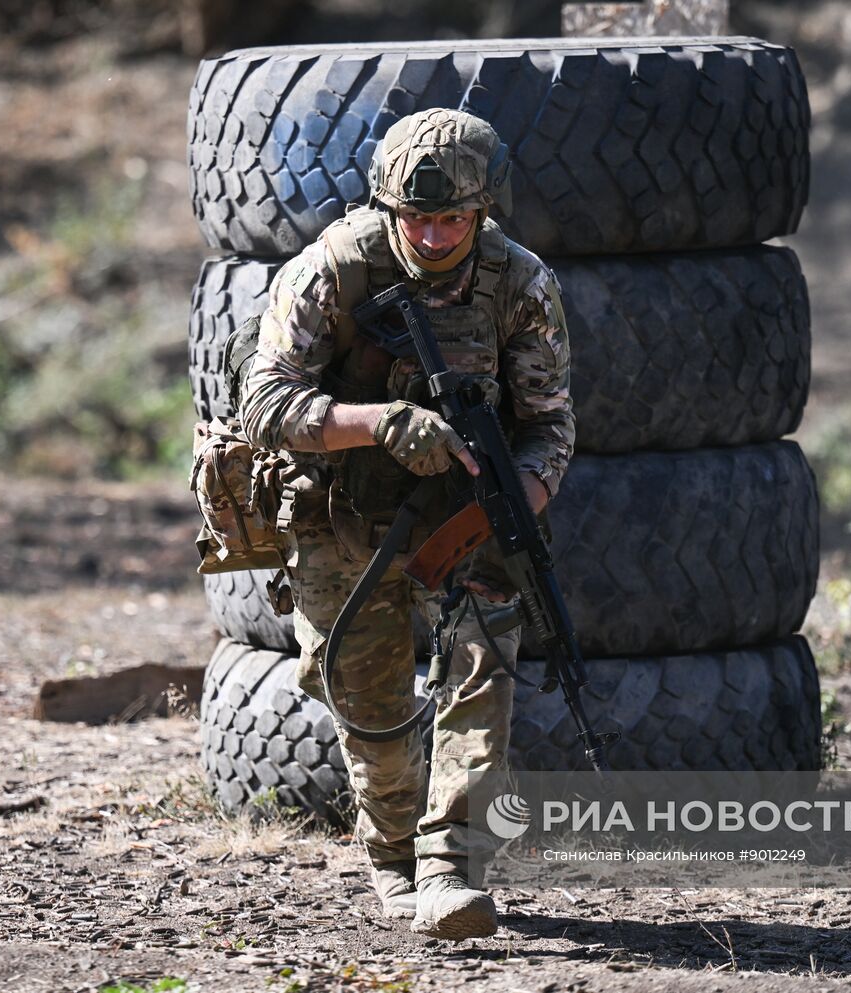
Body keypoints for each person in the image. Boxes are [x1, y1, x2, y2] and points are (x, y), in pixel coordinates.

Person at [239, 108, 574, 939]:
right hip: (337, 515)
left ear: (483, 210)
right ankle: (394, 861)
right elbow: (263, 404)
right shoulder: (334, 271)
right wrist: (379, 422)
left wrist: (516, 510)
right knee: (371, 701)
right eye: (413, 218)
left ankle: (451, 865)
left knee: (480, 667)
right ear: (387, 208)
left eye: (450, 219)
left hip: (461, 519)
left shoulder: (520, 285)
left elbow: (550, 424)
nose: (429, 235)